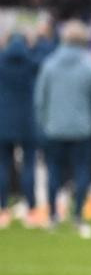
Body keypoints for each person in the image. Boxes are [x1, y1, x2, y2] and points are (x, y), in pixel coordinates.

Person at [34, 19, 91, 237]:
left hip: (54, 129)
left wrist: (44, 123)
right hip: (82, 130)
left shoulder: (49, 64)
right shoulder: (89, 66)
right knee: (81, 172)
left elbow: (39, 99)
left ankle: (53, 216)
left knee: (53, 172)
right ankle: (78, 216)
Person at [0, 26, 51, 229]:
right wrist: (39, 38)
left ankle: (2, 209)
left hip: (3, 120)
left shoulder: (1, 62)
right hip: (28, 120)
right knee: (28, 165)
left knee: (3, 165)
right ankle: (30, 209)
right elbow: (47, 53)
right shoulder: (32, 61)